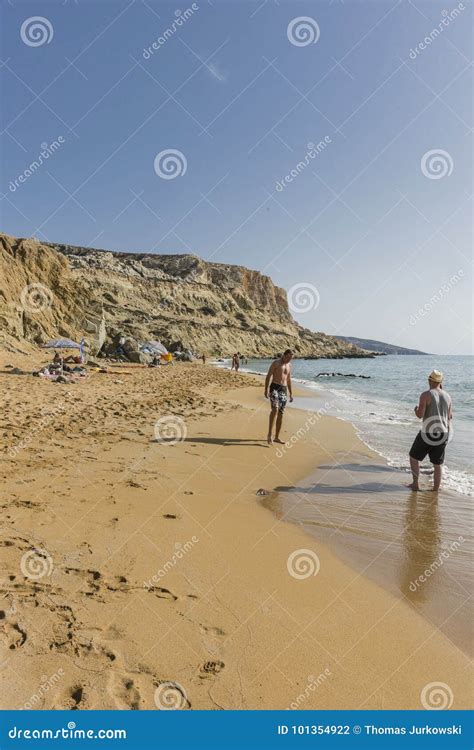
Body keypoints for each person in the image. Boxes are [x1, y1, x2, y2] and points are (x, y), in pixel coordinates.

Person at [408, 370, 452, 492]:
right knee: (437, 464)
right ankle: (435, 489)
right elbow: (449, 417)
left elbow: (420, 415)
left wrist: (416, 410)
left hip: (427, 432)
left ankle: (415, 484)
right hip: (443, 433)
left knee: (413, 457)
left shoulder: (426, 395)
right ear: (441, 381)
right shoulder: (448, 396)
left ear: (429, 380)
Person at [264, 349, 293, 444]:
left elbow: (288, 380)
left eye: (291, 358)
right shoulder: (276, 363)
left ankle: (276, 437)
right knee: (275, 409)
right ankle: (269, 435)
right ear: (284, 355)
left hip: (284, 390)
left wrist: (291, 393)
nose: (289, 359)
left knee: (281, 413)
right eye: (288, 357)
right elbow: (268, 376)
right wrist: (266, 389)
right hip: (274, 388)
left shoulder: (289, 365)